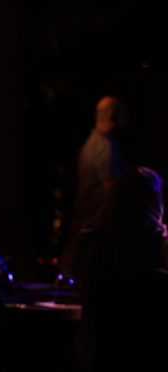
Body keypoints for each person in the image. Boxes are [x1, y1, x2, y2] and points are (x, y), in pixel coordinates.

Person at [57, 167, 168, 372]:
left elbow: (66, 269)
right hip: (155, 371)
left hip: (100, 366)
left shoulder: (94, 247)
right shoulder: (162, 246)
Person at [61, 96, 129, 282]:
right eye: (124, 114)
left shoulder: (87, 145)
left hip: (86, 226)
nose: (127, 119)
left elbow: (81, 191)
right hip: (100, 230)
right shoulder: (107, 148)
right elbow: (112, 193)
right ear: (112, 117)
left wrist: (76, 220)